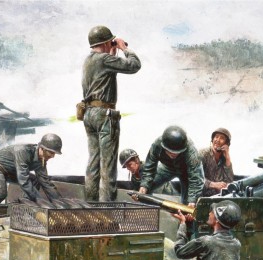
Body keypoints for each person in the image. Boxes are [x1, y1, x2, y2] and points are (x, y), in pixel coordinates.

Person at [82, 25, 141, 202]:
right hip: (105, 116)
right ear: (106, 42)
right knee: (108, 166)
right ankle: (106, 210)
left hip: (89, 114)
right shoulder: (104, 59)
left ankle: (91, 205)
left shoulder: (89, 60)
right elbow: (134, 65)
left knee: (93, 163)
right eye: (110, 41)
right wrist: (124, 48)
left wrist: (112, 52)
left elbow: (107, 71)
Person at [138, 125, 205, 206]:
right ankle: (146, 207)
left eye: (177, 152)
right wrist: (144, 185)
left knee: (189, 203)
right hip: (167, 168)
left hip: (186, 172)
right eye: (170, 152)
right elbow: (149, 166)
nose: (173, 154)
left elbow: (196, 178)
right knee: (145, 188)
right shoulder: (157, 145)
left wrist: (192, 200)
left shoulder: (191, 151)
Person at [201, 127, 235, 197]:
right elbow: (194, 178)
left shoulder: (224, 158)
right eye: (216, 137)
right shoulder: (203, 154)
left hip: (217, 196)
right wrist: (213, 184)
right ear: (212, 139)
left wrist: (227, 157)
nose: (218, 140)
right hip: (201, 195)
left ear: (226, 143)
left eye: (222, 138)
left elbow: (230, 180)